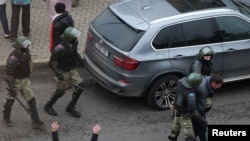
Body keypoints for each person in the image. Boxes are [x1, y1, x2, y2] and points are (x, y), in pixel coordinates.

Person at [2, 36, 44, 129]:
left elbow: (29, 64)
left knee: (32, 100)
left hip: (25, 80)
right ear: (19, 46)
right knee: (10, 100)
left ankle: (35, 121)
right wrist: (11, 87)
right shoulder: (13, 58)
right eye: (24, 45)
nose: (27, 47)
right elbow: (9, 74)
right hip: (16, 81)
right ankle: (6, 117)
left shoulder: (26, 52)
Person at [44, 27, 85, 118]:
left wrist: (80, 60)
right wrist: (58, 73)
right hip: (62, 71)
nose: (76, 37)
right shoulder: (59, 48)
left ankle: (71, 107)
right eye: (74, 36)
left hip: (71, 69)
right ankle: (48, 105)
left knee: (80, 87)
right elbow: (52, 62)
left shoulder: (74, 43)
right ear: (69, 38)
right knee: (60, 92)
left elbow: (74, 52)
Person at [168, 72, 207, 141]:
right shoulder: (190, 95)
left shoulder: (180, 83)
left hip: (177, 109)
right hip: (184, 114)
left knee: (174, 130)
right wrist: (201, 120)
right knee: (190, 136)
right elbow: (192, 110)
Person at [192, 73, 223, 141]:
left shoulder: (209, 79)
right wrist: (202, 116)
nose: (219, 87)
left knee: (196, 125)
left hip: (196, 106)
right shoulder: (202, 90)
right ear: (214, 83)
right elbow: (201, 105)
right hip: (195, 108)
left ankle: (193, 135)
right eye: (218, 86)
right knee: (202, 127)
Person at [189, 46, 215, 112]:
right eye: (206, 57)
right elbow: (197, 77)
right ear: (202, 56)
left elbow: (212, 72)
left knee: (207, 105)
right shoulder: (197, 64)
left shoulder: (209, 63)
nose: (208, 59)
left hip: (205, 84)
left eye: (209, 57)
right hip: (197, 85)